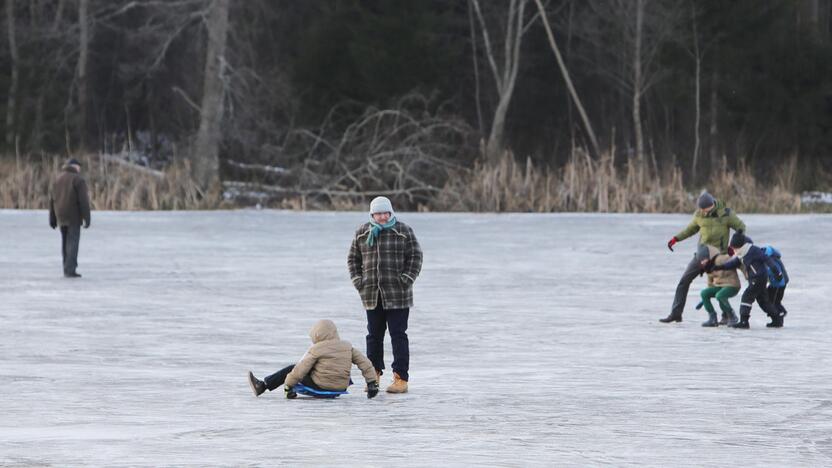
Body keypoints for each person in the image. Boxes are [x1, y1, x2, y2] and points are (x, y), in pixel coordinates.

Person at [347, 196, 422, 394]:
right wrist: (358, 282)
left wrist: (406, 279)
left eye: (385, 213)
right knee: (374, 336)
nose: (382, 217)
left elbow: (415, 256)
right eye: (378, 213)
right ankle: (374, 376)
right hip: (372, 295)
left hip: (398, 295)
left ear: (390, 213)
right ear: (372, 215)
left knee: (398, 335)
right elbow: (353, 260)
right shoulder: (362, 233)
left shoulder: (403, 231)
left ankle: (400, 378)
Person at [660, 191, 745, 323]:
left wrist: (733, 246)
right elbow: (690, 229)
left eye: (706, 209)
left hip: (719, 255)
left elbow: (741, 227)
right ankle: (676, 313)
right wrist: (676, 239)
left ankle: (726, 315)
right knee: (684, 281)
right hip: (703, 254)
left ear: (712, 205)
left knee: (720, 286)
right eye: (701, 209)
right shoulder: (699, 215)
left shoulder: (726, 213)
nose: (704, 212)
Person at [247, 319, 379, 399]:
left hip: (321, 386)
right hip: (339, 387)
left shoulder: (317, 348)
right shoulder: (347, 346)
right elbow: (365, 364)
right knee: (334, 365)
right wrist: (372, 383)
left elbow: (300, 369)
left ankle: (263, 386)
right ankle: (264, 385)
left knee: (292, 368)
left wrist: (288, 386)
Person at [709, 232, 784, 329]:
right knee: (763, 301)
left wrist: (777, 272)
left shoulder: (753, 250)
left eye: (734, 248)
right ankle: (776, 319)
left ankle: (744, 322)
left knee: (746, 297)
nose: (733, 250)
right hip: (757, 278)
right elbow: (733, 263)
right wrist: (719, 267)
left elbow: (767, 260)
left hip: (758, 278)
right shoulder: (741, 254)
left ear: (739, 246)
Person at [48, 158, 92, 278]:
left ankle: (66, 267)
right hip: (73, 216)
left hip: (60, 216)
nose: (79, 169)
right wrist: (87, 218)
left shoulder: (57, 179)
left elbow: (52, 200)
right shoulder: (78, 180)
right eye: (79, 166)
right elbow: (83, 201)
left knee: (65, 243)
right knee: (72, 242)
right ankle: (70, 270)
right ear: (74, 166)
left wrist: (52, 218)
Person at [697, 244, 740, 327]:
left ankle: (732, 316)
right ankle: (713, 319)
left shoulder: (721, 259)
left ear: (708, 257)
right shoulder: (707, 267)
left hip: (732, 285)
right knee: (704, 293)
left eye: (703, 259)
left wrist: (749, 276)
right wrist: (704, 300)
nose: (702, 262)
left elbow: (737, 262)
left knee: (720, 295)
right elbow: (710, 284)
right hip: (719, 287)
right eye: (700, 261)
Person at [760, 244, 789, 328]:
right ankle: (778, 319)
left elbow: (775, 272)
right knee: (771, 300)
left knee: (774, 302)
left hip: (778, 285)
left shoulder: (772, 260)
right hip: (776, 284)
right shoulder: (773, 257)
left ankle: (780, 315)